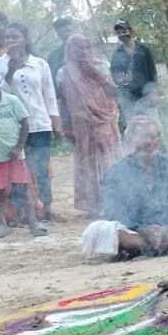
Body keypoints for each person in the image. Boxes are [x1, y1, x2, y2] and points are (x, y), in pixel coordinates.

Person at [81, 116, 168, 259]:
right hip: (134, 232)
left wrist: (165, 227)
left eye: (155, 137)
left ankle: (140, 249)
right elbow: (114, 211)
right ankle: (163, 248)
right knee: (96, 229)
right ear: (131, 140)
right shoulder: (116, 172)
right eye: (145, 137)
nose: (151, 142)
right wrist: (141, 228)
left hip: (167, 231)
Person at [0, 23, 61, 223]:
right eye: (7, 38)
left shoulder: (39, 63)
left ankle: (46, 208)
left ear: (25, 38)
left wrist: (55, 121)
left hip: (40, 124)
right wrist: (9, 71)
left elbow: (49, 94)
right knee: (18, 172)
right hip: (12, 128)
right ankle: (22, 212)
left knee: (41, 168)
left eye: (15, 37)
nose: (11, 41)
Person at [0, 65, 44, 238]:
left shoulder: (12, 100)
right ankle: (2, 224)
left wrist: (19, 146)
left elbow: (25, 123)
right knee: (0, 192)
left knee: (23, 189)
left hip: (15, 155)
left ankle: (33, 222)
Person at [57, 34, 121, 218]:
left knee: (108, 158)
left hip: (105, 120)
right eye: (78, 48)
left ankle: (113, 201)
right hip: (81, 125)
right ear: (70, 50)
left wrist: (95, 74)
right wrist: (65, 126)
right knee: (88, 161)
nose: (83, 52)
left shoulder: (101, 65)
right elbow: (63, 101)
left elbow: (114, 92)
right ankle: (93, 204)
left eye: (86, 47)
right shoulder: (64, 72)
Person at [109, 20, 158, 129]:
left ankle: (159, 146)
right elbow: (114, 76)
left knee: (154, 125)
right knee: (135, 127)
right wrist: (121, 79)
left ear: (130, 31)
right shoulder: (117, 54)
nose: (122, 34)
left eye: (124, 31)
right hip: (128, 97)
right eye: (119, 33)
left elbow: (152, 72)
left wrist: (153, 92)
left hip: (146, 95)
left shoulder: (144, 50)